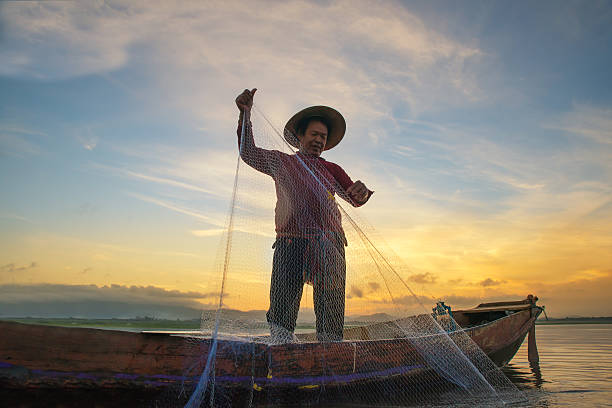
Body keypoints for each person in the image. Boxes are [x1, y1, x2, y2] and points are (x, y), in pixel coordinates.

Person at [235, 88, 372, 342]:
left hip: (330, 246)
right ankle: (281, 355)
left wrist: (361, 192)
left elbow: (354, 198)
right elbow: (248, 153)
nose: (320, 140)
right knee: (281, 312)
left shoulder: (332, 169)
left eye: (324, 136)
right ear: (300, 136)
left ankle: (330, 361)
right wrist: (245, 116)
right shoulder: (282, 163)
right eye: (315, 134)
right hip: (291, 243)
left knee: (331, 313)